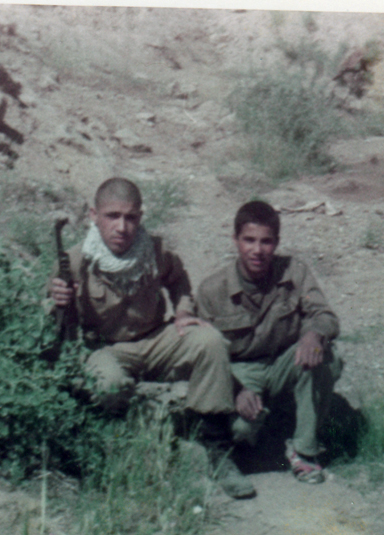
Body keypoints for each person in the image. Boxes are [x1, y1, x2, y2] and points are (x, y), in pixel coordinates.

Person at [49, 177, 254, 498]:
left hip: (155, 339)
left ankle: (216, 448)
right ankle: (127, 439)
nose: (122, 227)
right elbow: (53, 318)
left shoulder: (154, 251)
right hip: (106, 348)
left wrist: (183, 312)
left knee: (209, 341)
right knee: (109, 383)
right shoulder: (76, 260)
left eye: (130, 217)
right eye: (112, 216)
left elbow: (179, 280)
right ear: (93, 215)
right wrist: (57, 300)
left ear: (140, 217)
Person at [196, 200, 343, 484]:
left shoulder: (294, 273)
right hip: (239, 372)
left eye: (266, 241)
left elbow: (324, 315)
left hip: (283, 363)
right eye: (249, 240)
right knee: (240, 432)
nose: (257, 250)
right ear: (235, 240)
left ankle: (303, 449)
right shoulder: (212, 290)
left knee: (326, 356)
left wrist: (314, 334)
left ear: (276, 242)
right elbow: (203, 357)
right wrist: (236, 390)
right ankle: (270, 426)